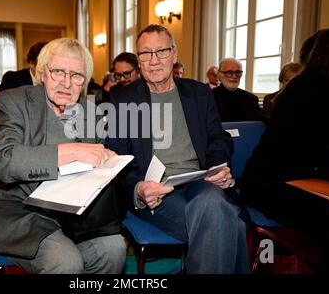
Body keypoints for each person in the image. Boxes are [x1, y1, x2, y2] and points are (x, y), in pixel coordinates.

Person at [105, 24, 250, 274]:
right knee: (227, 221)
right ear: (138, 60)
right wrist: (138, 188)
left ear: (174, 53)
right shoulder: (123, 99)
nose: (154, 60)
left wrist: (218, 165)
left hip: (198, 180)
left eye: (161, 51)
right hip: (156, 189)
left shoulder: (199, 93)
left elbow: (219, 137)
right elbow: (117, 158)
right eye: (145, 53)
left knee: (213, 204)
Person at [0, 37, 127, 274]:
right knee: (66, 262)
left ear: (86, 82)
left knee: (113, 249)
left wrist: (104, 161)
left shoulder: (92, 113)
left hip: (76, 215)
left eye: (77, 76)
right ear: (42, 72)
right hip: (22, 213)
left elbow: (92, 170)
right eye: (58, 71)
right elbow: (1, 161)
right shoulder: (15, 102)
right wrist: (71, 151)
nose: (66, 83)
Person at [240, 28, 329, 273]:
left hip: (304, 177)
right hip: (272, 183)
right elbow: (320, 148)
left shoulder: (323, 87)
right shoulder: (309, 88)